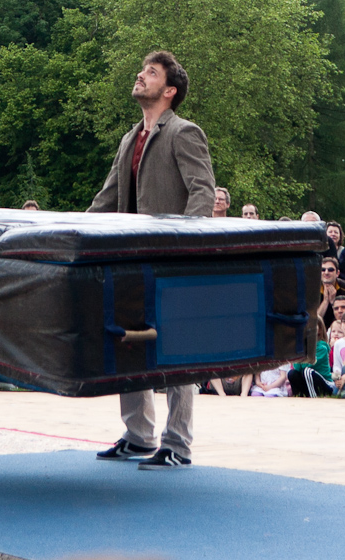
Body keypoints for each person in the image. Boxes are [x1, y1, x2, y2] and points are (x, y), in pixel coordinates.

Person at [90, 50, 213, 470]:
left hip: (170, 259)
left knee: (177, 350)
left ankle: (177, 444)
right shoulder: (130, 138)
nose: (140, 76)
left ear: (170, 90)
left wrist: (184, 246)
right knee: (128, 344)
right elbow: (107, 199)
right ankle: (139, 435)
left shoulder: (184, 132)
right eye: (143, 70)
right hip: (130, 261)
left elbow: (203, 191)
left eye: (151, 72)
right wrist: (75, 234)